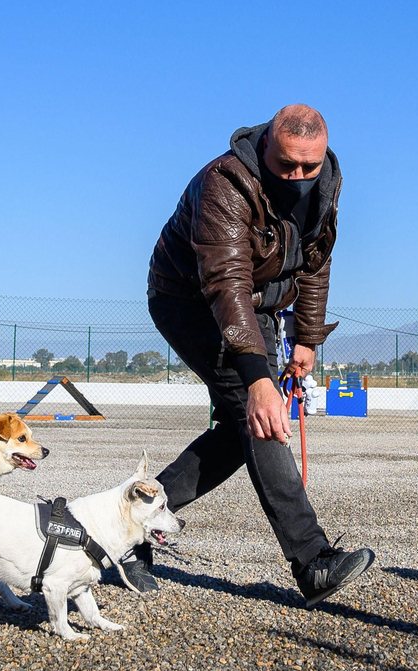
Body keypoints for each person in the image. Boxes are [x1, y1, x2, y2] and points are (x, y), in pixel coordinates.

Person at [118, 104, 374, 606]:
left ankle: (129, 527)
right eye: (287, 166)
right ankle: (312, 561)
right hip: (190, 299)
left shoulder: (326, 185)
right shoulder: (224, 183)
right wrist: (258, 378)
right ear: (265, 148)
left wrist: (307, 339)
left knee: (243, 433)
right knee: (260, 415)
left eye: (310, 166)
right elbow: (226, 282)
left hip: (255, 305)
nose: (299, 177)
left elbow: (316, 261)